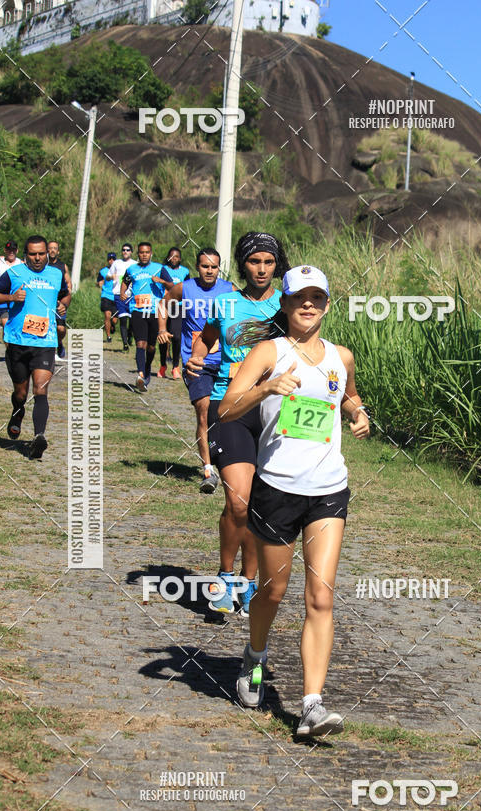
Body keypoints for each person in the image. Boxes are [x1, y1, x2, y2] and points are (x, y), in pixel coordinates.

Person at [218, 264, 369, 735]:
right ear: (284, 304)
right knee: (273, 591)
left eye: (316, 297)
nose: (308, 304)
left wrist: (358, 413)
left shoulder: (341, 356)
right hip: (277, 488)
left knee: (320, 595)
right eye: (299, 297)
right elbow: (226, 408)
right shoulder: (269, 351)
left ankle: (311, 705)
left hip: (328, 489)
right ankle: (254, 656)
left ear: (327, 305)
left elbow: (348, 395)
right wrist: (266, 387)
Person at [187, 232, 290, 616]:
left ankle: (248, 584)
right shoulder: (226, 303)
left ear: (276, 265)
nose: (261, 269)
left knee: (259, 507)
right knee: (238, 500)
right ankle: (224, 576)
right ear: (242, 265)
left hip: (275, 410)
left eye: (268, 262)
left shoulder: (289, 304)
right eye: (254, 261)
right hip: (229, 405)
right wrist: (197, 357)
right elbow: (206, 337)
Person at [158, 247, 232, 493]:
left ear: (219, 268)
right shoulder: (185, 288)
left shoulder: (230, 290)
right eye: (204, 266)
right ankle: (208, 472)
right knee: (204, 411)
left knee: (225, 414)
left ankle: (228, 461)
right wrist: (162, 329)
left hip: (225, 361)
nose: (209, 271)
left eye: (214, 267)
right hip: (196, 361)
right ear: (197, 267)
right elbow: (164, 304)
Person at [0, 234, 71, 459]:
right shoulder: (14, 273)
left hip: (45, 342)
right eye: (32, 254)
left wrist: (62, 306)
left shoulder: (56, 274)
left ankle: (39, 437)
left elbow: (66, 295)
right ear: (25, 255)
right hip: (18, 343)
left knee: (41, 389)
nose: (37, 258)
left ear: (47, 254)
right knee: (21, 393)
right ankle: (17, 411)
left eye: (41, 254)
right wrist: (11, 297)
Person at [120, 241, 165, 392]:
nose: (144, 255)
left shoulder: (159, 268)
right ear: (138, 254)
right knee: (141, 343)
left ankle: (147, 367)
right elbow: (125, 282)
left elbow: (171, 285)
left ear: (151, 253)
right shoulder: (131, 269)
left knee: (151, 346)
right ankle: (140, 375)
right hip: (137, 310)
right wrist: (122, 293)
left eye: (147, 252)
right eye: (141, 252)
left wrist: (161, 281)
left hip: (154, 311)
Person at [154, 247, 190, 379]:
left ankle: (175, 366)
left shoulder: (185, 271)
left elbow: (187, 288)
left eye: (176, 256)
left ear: (180, 258)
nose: (174, 259)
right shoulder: (162, 269)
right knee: (163, 336)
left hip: (179, 307)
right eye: (171, 256)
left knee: (177, 336)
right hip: (164, 305)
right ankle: (163, 365)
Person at [107, 243, 136, 350]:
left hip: (132, 295)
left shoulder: (135, 264)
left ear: (131, 252)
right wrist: (111, 277)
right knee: (123, 319)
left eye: (127, 250)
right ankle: (125, 344)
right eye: (123, 250)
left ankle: (130, 335)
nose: (125, 252)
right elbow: (107, 276)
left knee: (132, 321)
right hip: (119, 295)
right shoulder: (116, 263)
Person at [47, 240, 72, 361]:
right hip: (46, 300)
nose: (52, 250)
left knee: (61, 329)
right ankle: (48, 351)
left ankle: (59, 342)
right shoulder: (43, 265)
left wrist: (66, 299)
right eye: (50, 248)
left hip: (60, 300)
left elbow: (68, 283)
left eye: (55, 248)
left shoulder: (62, 266)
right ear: (47, 250)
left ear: (58, 251)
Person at [0, 240, 22, 330]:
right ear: (5, 250)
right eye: (9, 250)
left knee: (7, 326)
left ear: (17, 251)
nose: (11, 252)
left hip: (14, 302)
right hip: (0, 300)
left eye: (13, 250)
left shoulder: (21, 264)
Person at [97, 252, 118, 342]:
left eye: (113, 259)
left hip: (116, 296)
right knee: (107, 316)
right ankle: (108, 337)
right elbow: (99, 281)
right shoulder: (103, 271)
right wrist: (100, 284)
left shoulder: (120, 270)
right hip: (106, 296)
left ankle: (112, 325)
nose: (111, 261)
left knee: (114, 320)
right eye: (110, 259)